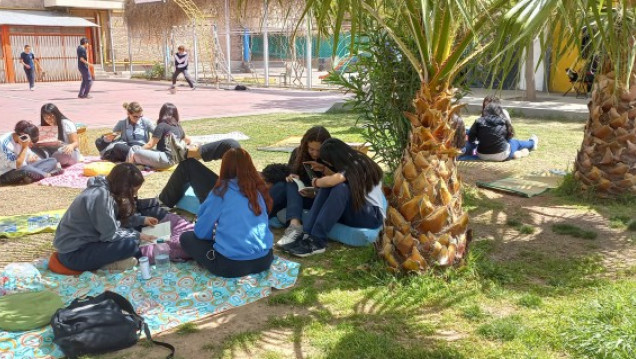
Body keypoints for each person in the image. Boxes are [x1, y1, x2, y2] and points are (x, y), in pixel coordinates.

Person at [281, 138, 385, 257]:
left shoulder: (358, 163)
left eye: (329, 162)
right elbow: (338, 180)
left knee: (339, 187)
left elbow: (333, 180)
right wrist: (324, 171)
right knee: (329, 186)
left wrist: (315, 182)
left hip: (370, 216)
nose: (330, 164)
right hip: (356, 211)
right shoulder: (352, 163)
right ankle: (307, 233)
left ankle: (317, 241)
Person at [178, 148, 274, 278]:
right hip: (265, 259)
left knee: (186, 237)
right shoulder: (257, 190)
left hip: (232, 266)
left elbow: (201, 233)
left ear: (224, 167)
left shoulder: (221, 192)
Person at [53, 163, 161, 271]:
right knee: (130, 245)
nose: (134, 195)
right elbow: (110, 234)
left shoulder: (106, 190)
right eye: (133, 191)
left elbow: (117, 219)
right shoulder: (101, 197)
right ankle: (106, 266)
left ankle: (115, 260)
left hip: (88, 243)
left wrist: (142, 220)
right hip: (74, 254)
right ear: (124, 187)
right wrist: (138, 235)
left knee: (134, 235)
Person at [268, 126, 331, 246]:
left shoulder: (331, 157)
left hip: (318, 199)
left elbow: (336, 187)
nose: (315, 153)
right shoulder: (298, 153)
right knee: (285, 184)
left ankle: (294, 226)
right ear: (305, 145)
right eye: (311, 149)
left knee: (287, 187)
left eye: (319, 150)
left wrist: (315, 192)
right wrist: (290, 176)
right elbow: (291, 172)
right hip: (297, 197)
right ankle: (254, 215)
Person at [466, 101, 538, 161]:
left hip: (482, 155)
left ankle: (521, 151)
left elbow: (471, 138)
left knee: (512, 143)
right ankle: (532, 143)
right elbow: (509, 137)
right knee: (515, 142)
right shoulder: (504, 121)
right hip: (502, 155)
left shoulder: (478, 121)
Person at [0, 120, 62, 185]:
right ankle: (47, 175)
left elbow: (28, 158)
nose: (32, 144)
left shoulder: (21, 139)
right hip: (5, 174)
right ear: (23, 136)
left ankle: (30, 177)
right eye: (31, 141)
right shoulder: (4, 145)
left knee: (52, 160)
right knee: (26, 169)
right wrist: (24, 147)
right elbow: (17, 165)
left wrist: (33, 158)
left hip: (23, 168)